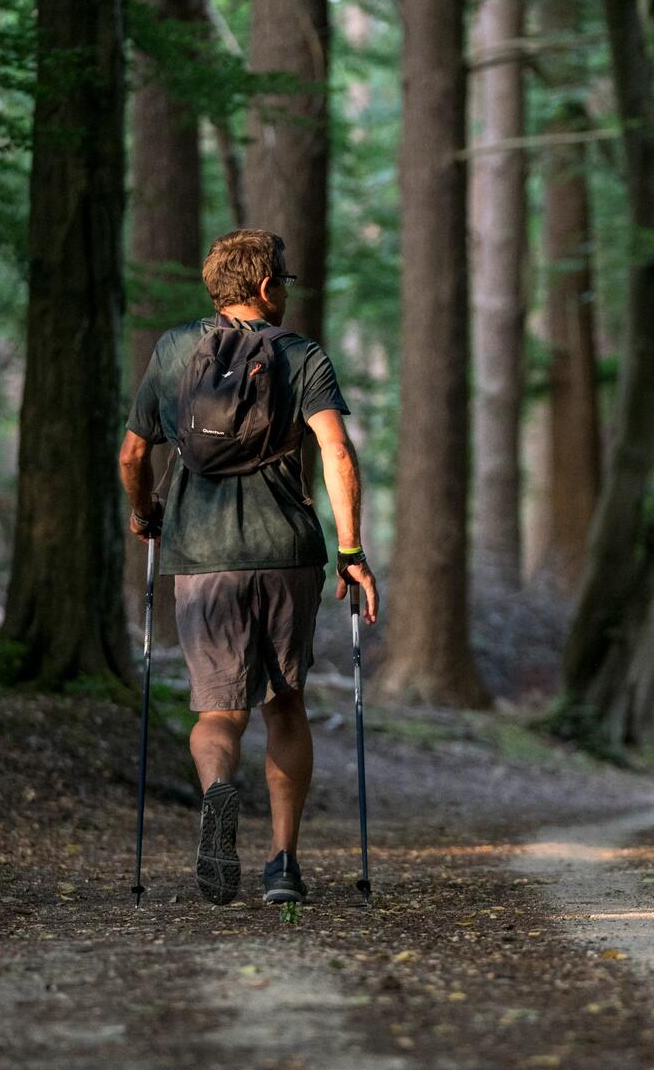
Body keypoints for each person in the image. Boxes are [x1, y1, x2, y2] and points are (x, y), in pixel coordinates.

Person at [119, 228, 378, 906]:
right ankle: (282, 867)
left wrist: (146, 510)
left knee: (217, 709)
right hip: (287, 553)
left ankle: (217, 795)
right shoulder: (301, 356)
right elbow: (339, 454)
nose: (288, 290)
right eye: (285, 280)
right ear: (267, 289)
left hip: (201, 560)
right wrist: (352, 554)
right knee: (284, 703)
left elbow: (130, 454)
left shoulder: (176, 352)